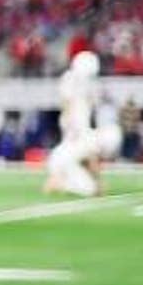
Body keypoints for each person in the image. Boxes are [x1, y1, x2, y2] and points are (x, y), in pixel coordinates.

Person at [44, 50, 103, 196]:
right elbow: (68, 102)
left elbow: (67, 102)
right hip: (72, 141)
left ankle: (61, 181)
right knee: (89, 188)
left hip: (69, 142)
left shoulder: (75, 87)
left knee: (67, 160)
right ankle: (61, 182)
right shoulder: (75, 85)